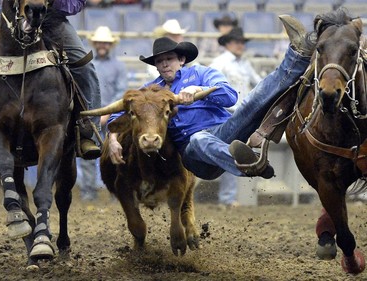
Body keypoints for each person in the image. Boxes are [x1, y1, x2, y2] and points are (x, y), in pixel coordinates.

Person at [106, 15, 313, 183]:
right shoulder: (151, 92)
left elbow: (230, 96)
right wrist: (113, 139)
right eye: (159, 62)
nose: (164, 64)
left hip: (225, 131)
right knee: (199, 139)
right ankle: (249, 164)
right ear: (156, 67)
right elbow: (120, 113)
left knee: (253, 100)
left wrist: (199, 89)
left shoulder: (200, 73)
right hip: (192, 153)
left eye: (169, 59)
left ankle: (299, 55)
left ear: (181, 59)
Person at [0, 1, 102, 160]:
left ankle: (88, 130)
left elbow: (75, 3)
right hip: (11, 15)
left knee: (85, 67)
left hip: (50, 19)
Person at [209, 26, 262, 207]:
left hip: (242, 114)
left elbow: (259, 83)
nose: (240, 45)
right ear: (228, 44)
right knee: (230, 152)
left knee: (234, 153)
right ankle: (228, 198)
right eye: (236, 42)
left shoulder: (244, 64)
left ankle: (229, 198)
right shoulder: (220, 62)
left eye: (241, 42)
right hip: (226, 114)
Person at [77, 25, 128, 201]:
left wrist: (107, 113)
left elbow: (121, 91)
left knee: (115, 154)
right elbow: (84, 89)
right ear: (95, 43)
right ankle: (88, 193)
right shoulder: (88, 65)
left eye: (105, 43)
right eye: (99, 42)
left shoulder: (119, 66)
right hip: (91, 116)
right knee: (88, 154)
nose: (102, 45)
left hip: (112, 116)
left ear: (110, 45)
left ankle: (117, 193)